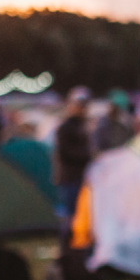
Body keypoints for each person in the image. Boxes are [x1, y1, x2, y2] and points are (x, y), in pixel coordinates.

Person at [54, 90, 93, 222]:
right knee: (71, 213)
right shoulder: (66, 127)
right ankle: (67, 240)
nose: (82, 109)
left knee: (79, 212)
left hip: (81, 176)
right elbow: (65, 152)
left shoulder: (82, 126)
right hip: (70, 176)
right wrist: (87, 155)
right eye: (79, 106)